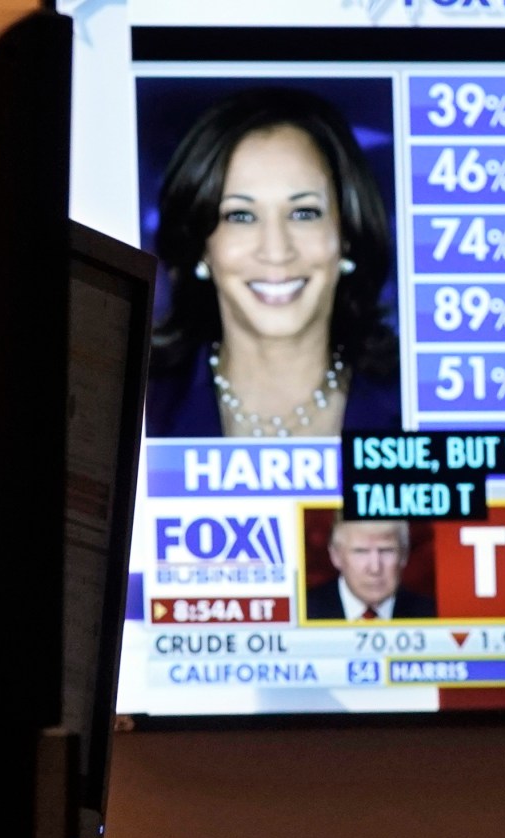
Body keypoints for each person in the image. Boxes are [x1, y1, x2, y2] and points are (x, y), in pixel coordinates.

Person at [146, 87, 401, 439]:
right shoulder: (143, 407)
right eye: (240, 216)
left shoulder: (416, 401)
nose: (276, 250)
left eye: (304, 212)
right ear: (201, 245)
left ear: (346, 233)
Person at [305, 517, 433, 620]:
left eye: (386, 551)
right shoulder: (305, 612)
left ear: (404, 555)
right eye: (361, 551)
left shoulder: (431, 614)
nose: (375, 568)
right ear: (336, 556)